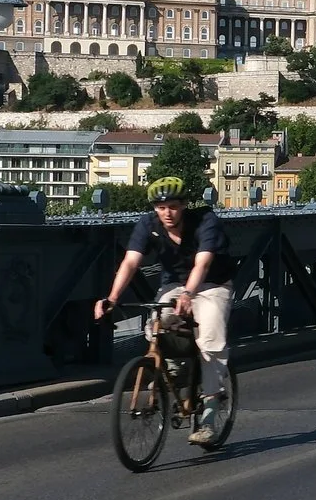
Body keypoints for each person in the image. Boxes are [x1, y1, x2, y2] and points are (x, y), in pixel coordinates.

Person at [97, 177, 233, 444]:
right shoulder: (148, 225)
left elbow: (203, 264)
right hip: (174, 284)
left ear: (184, 205)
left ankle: (209, 412)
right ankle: (172, 369)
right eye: (160, 208)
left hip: (212, 284)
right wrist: (112, 298)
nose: (167, 213)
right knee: (157, 326)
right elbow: (130, 262)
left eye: (173, 206)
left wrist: (189, 294)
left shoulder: (206, 222)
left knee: (209, 338)